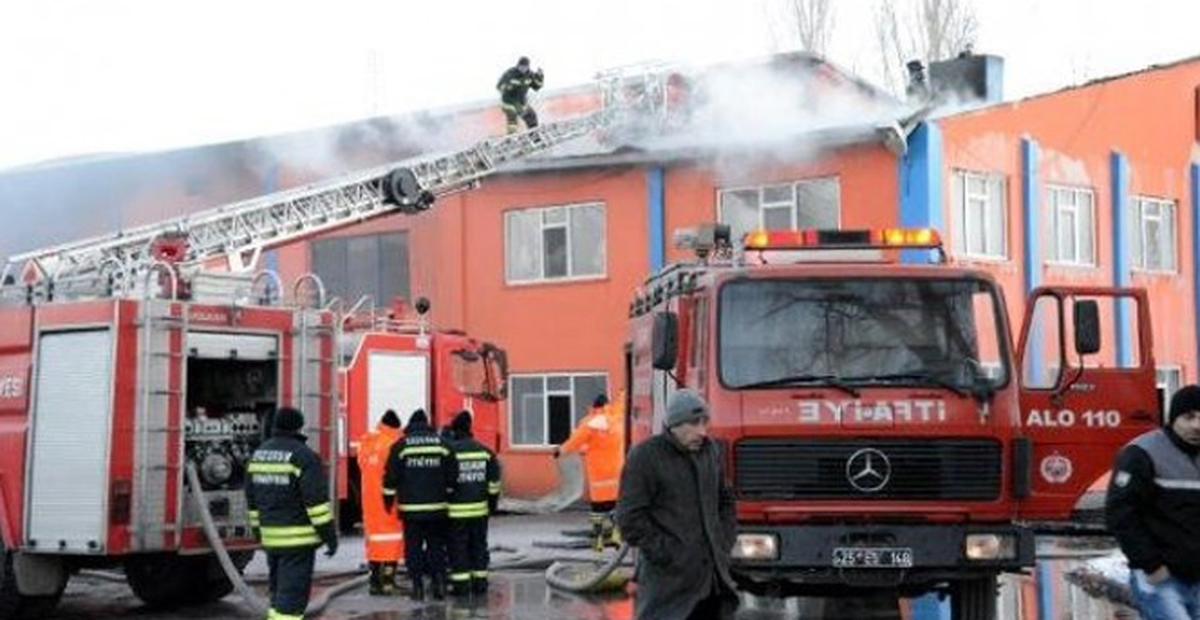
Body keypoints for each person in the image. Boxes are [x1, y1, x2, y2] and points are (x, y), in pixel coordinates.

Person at [615, 389, 738, 620]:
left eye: (704, 422)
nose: (702, 431)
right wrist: (670, 554)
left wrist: (723, 543)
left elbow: (725, 501)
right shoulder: (645, 457)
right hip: (668, 587)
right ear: (674, 424)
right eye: (694, 423)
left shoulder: (710, 452)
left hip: (712, 585)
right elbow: (629, 520)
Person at [1106, 385, 1200, 620]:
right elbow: (1121, 514)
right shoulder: (1143, 453)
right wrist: (1150, 564)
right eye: (1189, 417)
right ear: (1173, 418)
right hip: (1161, 579)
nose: (1197, 426)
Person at [245, 407, 338, 620]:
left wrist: (259, 533)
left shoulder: (258, 455)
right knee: (292, 599)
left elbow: (251, 501)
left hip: (271, 539)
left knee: (278, 595)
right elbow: (317, 506)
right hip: (298, 542)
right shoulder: (304, 456)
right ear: (299, 426)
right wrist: (329, 537)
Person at [383, 409, 455, 601]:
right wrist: (448, 495)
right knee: (436, 547)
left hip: (411, 511)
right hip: (437, 509)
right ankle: (438, 584)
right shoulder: (442, 444)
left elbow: (390, 477)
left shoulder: (400, 446)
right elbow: (452, 475)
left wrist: (388, 501)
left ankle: (417, 587)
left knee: (413, 548)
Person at [556, 393, 624, 551]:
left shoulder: (590, 424)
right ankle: (616, 534)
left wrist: (560, 451)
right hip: (616, 471)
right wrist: (621, 393)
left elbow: (575, 441)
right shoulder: (617, 419)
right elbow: (621, 403)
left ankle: (598, 539)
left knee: (598, 508)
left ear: (594, 406)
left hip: (598, 473)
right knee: (615, 505)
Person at [445, 410, 502, 597]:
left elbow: (444, 483)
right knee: (479, 546)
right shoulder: (485, 452)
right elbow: (494, 484)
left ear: (455, 430)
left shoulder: (449, 452)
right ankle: (480, 583)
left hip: (455, 512)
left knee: (458, 548)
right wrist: (492, 505)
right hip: (480, 511)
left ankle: (461, 585)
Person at [357, 409, 404, 596]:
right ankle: (388, 582)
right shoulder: (392, 444)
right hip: (388, 501)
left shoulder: (366, 442)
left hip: (369, 501)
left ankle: (374, 581)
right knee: (391, 541)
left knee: (374, 543)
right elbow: (395, 474)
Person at [496, 56, 544, 134]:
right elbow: (499, 86)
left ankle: (534, 136)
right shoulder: (510, 73)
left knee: (531, 116)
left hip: (521, 103)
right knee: (512, 116)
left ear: (528, 67)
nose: (523, 69)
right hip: (509, 102)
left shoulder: (529, 75)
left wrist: (540, 77)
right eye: (521, 67)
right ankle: (511, 136)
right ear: (518, 66)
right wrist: (507, 87)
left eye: (525, 67)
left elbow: (537, 87)